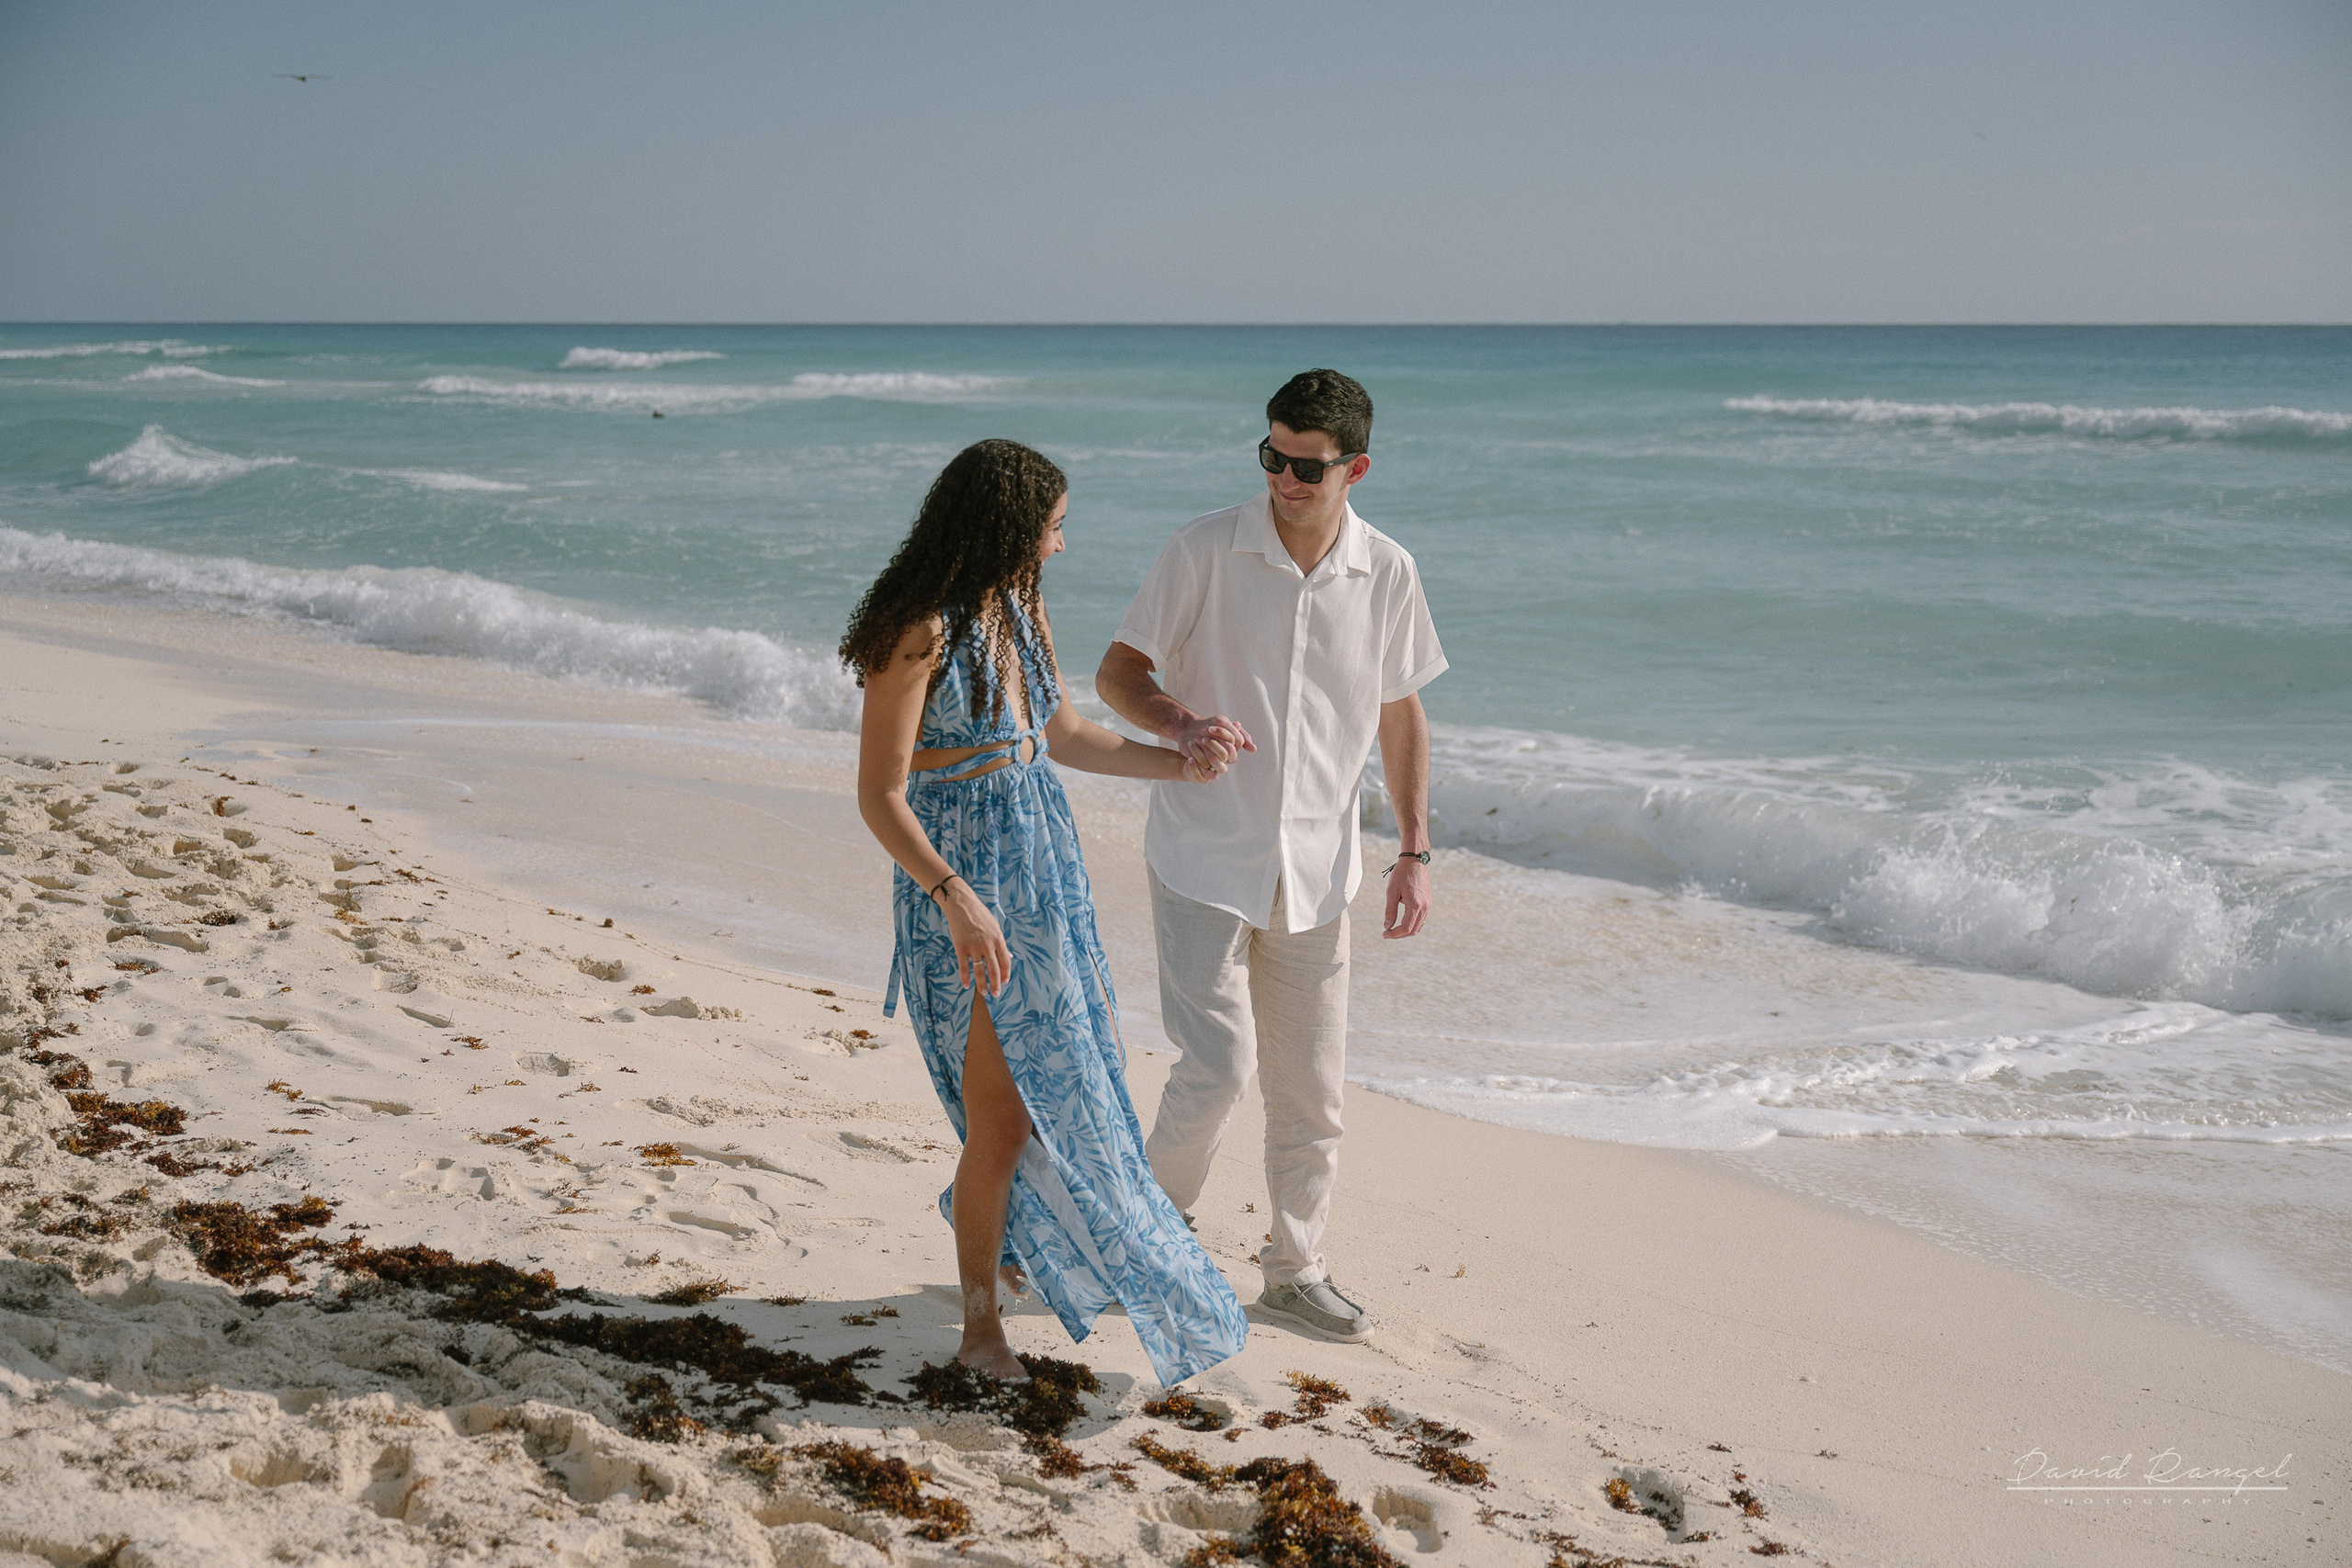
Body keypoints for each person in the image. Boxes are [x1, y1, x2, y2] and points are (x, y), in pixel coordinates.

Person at [842, 437, 1248, 1387]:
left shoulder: (1015, 608)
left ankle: (1009, 1247)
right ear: (1007, 527)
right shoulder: (918, 627)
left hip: (1041, 876)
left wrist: (1177, 754)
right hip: (964, 886)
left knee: (1069, 1090)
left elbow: (1060, 734)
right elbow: (879, 794)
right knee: (1003, 1122)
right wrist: (956, 901)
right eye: (1053, 528)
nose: (1060, 547)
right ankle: (981, 1329)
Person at [1096, 369, 1445, 1345]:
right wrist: (1180, 721)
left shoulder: (1388, 571)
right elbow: (1118, 673)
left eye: (1305, 466)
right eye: (1271, 456)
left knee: (1311, 1092)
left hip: (1321, 870)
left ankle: (1294, 1271)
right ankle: (1143, 1240)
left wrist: (1414, 849)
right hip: (1203, 855)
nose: (1284, 478)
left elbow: (1400, 711)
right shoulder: (1204, 548)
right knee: (1216, 1068)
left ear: (1355, 468)